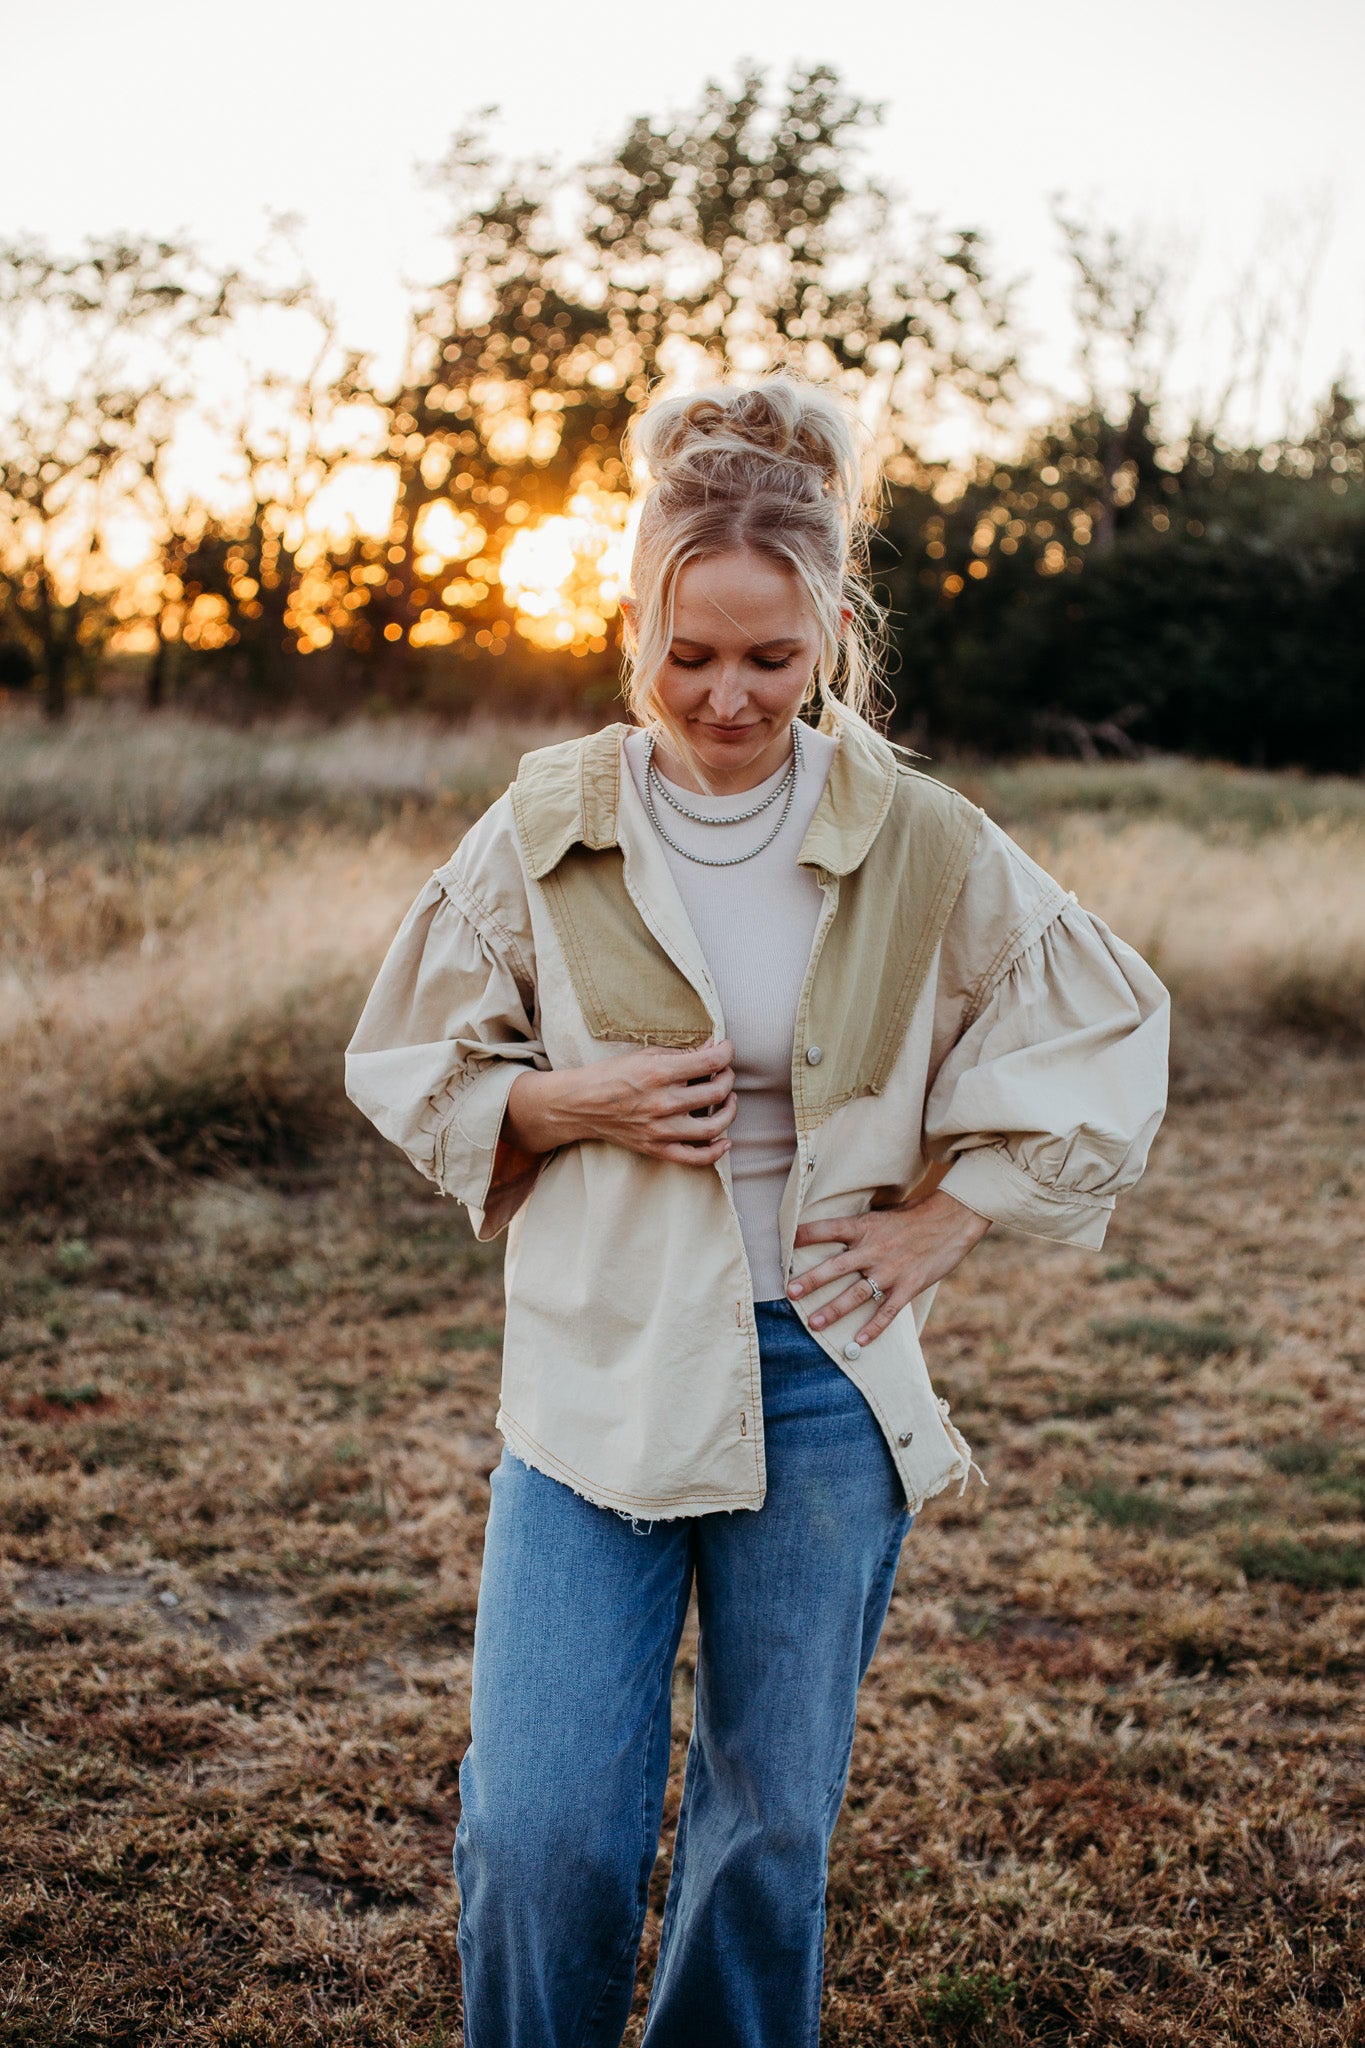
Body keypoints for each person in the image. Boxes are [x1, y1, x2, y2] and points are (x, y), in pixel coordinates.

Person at [345, 377, 1170, 2048]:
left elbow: (1102, 1023)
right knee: (543, 1831)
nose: (726, 699)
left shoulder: (922, 837)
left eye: (770, 661)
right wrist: (564, 1101)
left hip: (820, 1366)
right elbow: (412, 1050)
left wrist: (950, 1216)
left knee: (767, 1835)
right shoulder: (547, 822)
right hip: (599, 1361)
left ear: (830, 644)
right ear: (634, 625)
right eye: (689, 656)